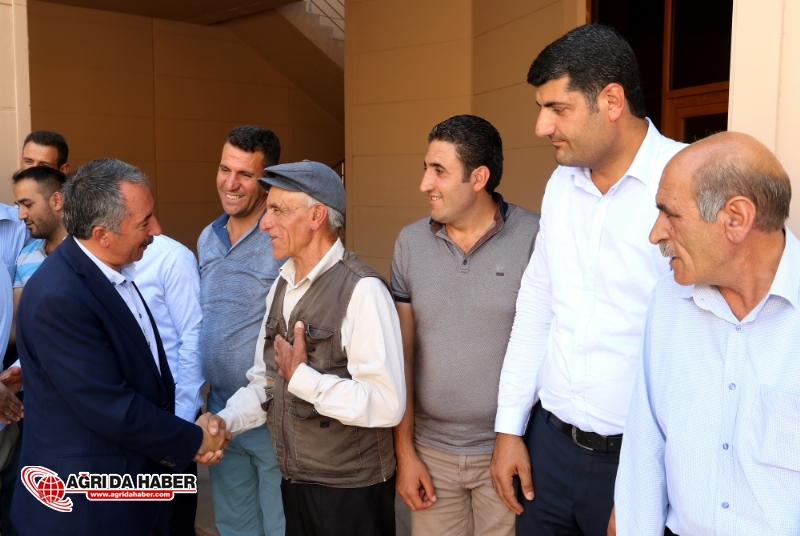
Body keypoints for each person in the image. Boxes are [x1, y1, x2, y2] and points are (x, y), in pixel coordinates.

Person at [490, 24, 685, 536]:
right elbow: (538, 304)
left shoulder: (685, 181)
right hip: (547, 449)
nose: (541, 126)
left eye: (558, 108)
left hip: (637, 460)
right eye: (541, 108)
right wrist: (509, 428)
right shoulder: (561, 185)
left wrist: (651, 481)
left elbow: (706, 342)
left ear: (612, 101)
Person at [11, 159, 229, 536]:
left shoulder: (110, 272)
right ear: (102, 234)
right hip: (83, 510)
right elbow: (108, 405)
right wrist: (192, 439)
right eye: (145, 222)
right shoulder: (60, 296)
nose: (157, 230)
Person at [615, 132, 798, 535]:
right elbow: (645, 449)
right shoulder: (669, 300)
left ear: (736, 218)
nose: (656, 234)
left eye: (671, 215)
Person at [216, 160, 405, 536]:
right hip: (296, 481)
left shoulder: (363, 290)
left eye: (278, 210)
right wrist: (225, 422)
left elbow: (387, 403)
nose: (265, 223)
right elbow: (267, 382)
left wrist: (303, 379)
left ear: (317, 216)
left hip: (351, 492)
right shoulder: (281, 284)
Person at [391, 115, 540, 535]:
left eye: (439, 170)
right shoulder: (410, 243)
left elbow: (548, 344)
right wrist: (405, 453)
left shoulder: (536, 238)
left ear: (478, 178)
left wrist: (513, 438)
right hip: (430, 454)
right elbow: (402, 356)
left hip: (509, 450)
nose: (425, 183)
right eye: (425, 168)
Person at [198, 125, 285, 536]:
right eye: (224, 169)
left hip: (273, 412)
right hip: (220, 408)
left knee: (281, 526)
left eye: (245, 175)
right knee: (235, 527)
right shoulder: (208, 237)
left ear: (267, 181)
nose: (230, 184)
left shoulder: (280, 237)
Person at [135, 234, 204, 536]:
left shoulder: (171, 257)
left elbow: (193, 335)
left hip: (170, 412)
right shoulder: (94, 261)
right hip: (124, 414)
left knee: (170, 522)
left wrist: (182, 423)